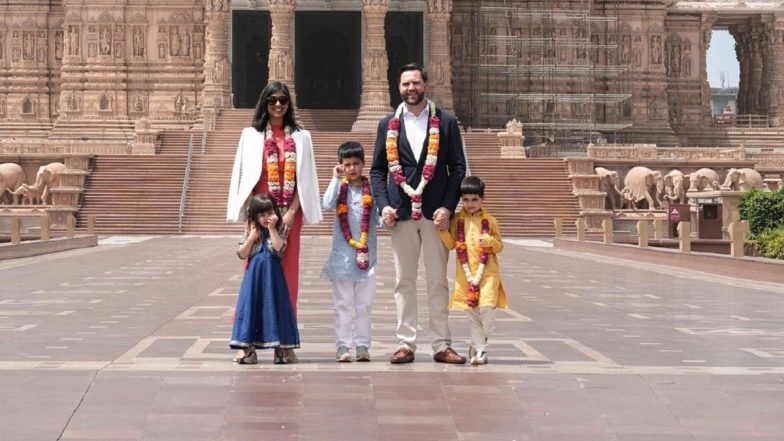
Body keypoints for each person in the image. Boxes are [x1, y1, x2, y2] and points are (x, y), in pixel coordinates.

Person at [370, 62, 468, 364]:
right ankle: (405, 342)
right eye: (405, 84)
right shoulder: (388, 124)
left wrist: (448, 207)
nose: (410, 89)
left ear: (425, 84)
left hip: (435, 212)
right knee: (404, 280)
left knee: (438, 280)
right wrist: (383, 204)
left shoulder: (446, 123)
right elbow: (377, 170)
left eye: (415, 83)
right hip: (399, 212)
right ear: (398, 88)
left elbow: (458, 168)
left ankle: (441, 344)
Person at [227, 81, 322, 363]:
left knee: (288, 277)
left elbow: (305, 180)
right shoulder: (251, 135)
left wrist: (292, 213)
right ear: (264, 103)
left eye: (282, 100)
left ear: (289, 103)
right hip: (260, 216)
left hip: (290, 217)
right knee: (254, 276)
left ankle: (285, 342)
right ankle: (248, 342)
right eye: (272, 100)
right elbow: (246, 176)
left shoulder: (302, 137)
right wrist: (252, 220)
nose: (278, 105)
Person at [438, 176, 507, 365]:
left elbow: (500, 246)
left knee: (487, 309)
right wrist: (442, 230)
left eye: (474, 199)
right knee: (472, 313)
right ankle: (480, 350)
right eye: (466, 200)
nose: (470, 204)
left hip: (488, 274)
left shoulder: (491, 221)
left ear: (482, 199)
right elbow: (452, 244)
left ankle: (480, 342)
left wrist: (491, 242)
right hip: (465, 275)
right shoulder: (457, 220)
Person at [320, 141, 379, 362]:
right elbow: (326, 204)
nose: (352, 168)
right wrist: (335, 179)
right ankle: (343, 345)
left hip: (367, 256)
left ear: (363, 164)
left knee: (364, 305)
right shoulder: (340, 187)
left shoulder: (371, 189)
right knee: (343, 305)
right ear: (341, 166)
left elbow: (380, 217)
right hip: (342, 256)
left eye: (356, 163)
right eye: (347, 164)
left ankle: (363, 345)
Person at [230, 193, 299, 365]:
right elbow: (242, 253)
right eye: (262, 215)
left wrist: (272, 229)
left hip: (273, 280)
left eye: (269, 213)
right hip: (253, 281)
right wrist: (252, 237)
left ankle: (280, 349)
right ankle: (248, 350)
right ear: (254, 217)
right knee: (251, 308)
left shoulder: (279, 230)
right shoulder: (249, 232)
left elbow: (279, 248)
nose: (267, 218)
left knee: (276, 308)